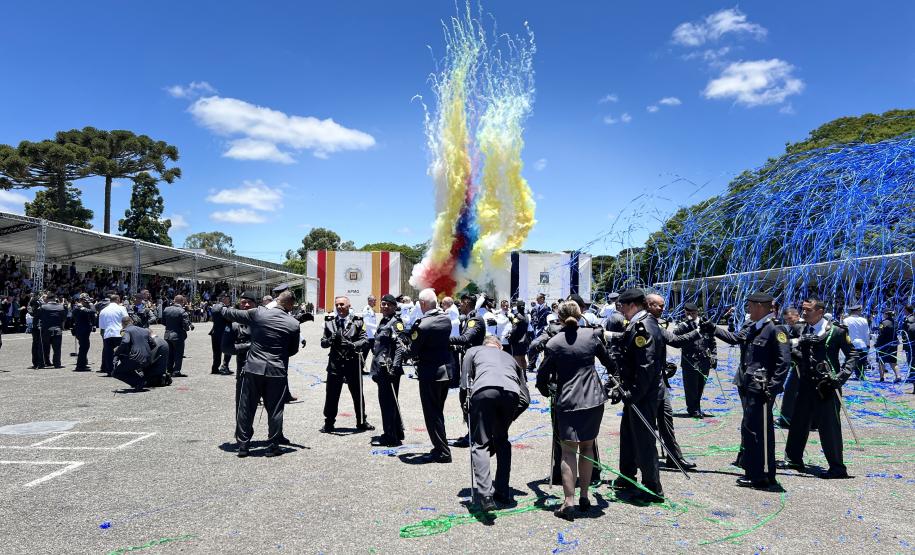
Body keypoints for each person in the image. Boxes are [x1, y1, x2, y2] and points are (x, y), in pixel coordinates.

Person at [704, 292, 791, 490]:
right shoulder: (754, 326)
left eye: (750, 306)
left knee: (759, 431)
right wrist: (713, 329)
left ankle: (762, 475)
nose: (748, 310)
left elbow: (783, 361)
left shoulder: (775, 328)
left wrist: (773, 387)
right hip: (749, 385)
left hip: (762, 389)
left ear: (760, 306)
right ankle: (753, 471)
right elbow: (736, 339)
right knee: (750, 430)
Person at [537, 301, 614, 519]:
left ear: (559, 318)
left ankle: (568, 501)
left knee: (568, 451)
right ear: (580, 315)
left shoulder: (553, 343)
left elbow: (542, 376)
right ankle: (585, 496)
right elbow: (610, 363)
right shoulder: (592, 336)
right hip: (593, 398)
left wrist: (546, 390)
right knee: (588, 447)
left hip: (568, 400)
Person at [782, 298, 861, 479]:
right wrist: (799, 346)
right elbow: (787, 348)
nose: (803, 313)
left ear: (819, 311)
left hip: (826, 386)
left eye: (808, 310)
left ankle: (837, 467)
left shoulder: (836, 331)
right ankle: (794, 458)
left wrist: (840, 378)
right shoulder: (800, 329)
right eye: (803, 310)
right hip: (805, 384)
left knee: (829, 426)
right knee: (798, 423)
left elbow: (852, 354)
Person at [217, 291, 301, 457]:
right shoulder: (293, 323)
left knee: (246, 407)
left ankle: (243, 445)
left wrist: (220, 306)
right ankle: (273, 445)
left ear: (277, 301)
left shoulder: (259, 313)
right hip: (276, 370)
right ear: (290, 305)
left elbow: (231, 313)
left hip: (253, 368)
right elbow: (293, 350)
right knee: (275, 409)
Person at [463, 335, 530, 511]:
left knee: (480, 443)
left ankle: (485, 494)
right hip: (511, 395)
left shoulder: (473, 351)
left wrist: (468, 417)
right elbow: (526, 399)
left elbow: (465, 386)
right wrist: (509, 418)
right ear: (499, 347)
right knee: (502, 441)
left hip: (483, 391)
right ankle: (503, 491)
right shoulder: (510, 358)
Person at [645, 293, 700, 471]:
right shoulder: (646, 324)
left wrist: (698, 332)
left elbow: (675, 341)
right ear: (648, 305)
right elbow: (675, 341)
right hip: (648, 384)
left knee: (666, 418)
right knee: (646, 423)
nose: (662, 308)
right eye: (658, 305)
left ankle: (674, 457)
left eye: (662, 305)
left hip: (660, 382)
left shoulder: (656, 324)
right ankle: (642, 459)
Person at [409, 288, 455, 463]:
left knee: (432, 413)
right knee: (438, 412)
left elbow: (413, 351)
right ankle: (440, 446)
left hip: (430, 373)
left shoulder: (422, 324)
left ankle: (442, 451)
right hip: (445, 371)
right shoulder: (445, 319)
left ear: (422, 304)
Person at [319, 296, 373, 433]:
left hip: (353, 363)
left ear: (349, 306)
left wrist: (352, 345)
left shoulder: (358, 322)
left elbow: (365, 340)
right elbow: (323, 343)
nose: (339, 307)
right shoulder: (330, 323)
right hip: (335, 365)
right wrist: (331, 339)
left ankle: (361, 421)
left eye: (342, 304)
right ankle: (329, 423)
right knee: (331, 395)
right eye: (337, 305)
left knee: (357, 395)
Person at [370, 294, 408, 447]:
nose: (384, 306)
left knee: (388, 403)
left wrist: (395, 366)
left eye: (388, 305)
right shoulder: (384, 320)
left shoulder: (396, 323)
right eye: (383, 304)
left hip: (389, 369)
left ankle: (390, 437)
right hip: (382, 367)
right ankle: (396, 431)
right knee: (388, 402)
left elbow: (401, 346)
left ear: (394, 307)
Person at [671, 302, 717, 418]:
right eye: (688, 313)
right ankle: (693, 409)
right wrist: (685, 324)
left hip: (704, 360)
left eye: (693, 313)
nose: (690, 315)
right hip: (689, 361)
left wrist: (714, 356)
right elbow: (674, 338)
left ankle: (697, 407)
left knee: (700, 386)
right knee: (691, 387)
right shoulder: (683, 325)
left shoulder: (705, 324)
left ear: (697, 312)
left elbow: (712, 342)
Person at [227, 292, 256, 439]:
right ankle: (242, 436)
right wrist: (249, 346)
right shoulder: (234, 325)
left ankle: (276, 437)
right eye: (243, 302)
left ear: (255, 304)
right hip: (244, 369)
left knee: (272, 406)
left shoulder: (262, 320)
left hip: (266, 369)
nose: (245, 305)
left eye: (249, 302)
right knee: (242, 406)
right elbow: (227, 348)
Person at [776, 307, 804, 427]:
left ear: (797, 315)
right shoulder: (797, 325)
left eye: (790, 318)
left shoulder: (800, 325)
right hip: (798, 363)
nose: (788, 321)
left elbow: (801, 341)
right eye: (786, 319)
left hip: (800, 363)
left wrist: (789, 344)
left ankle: (786, 419)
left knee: (791, 391)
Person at [112, 316, 155, 390]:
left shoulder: (125, 330)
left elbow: (125, 342)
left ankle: (139, 382)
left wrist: (117, 352)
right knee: (128, 366)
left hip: (136, 358)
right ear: (132, 322)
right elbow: (153, 344)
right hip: (148, 358)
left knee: (116, 373)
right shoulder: (144, 330)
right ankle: (139, 380)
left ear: (122, 324)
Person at [161, 295, 193, 377]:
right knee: (178, 354)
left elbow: (163, 322)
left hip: (167, 334)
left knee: (170, 353)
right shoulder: (182, 311)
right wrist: (187, 329)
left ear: (174, 300)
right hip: (178, 335)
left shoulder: (166, 309)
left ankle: (169, 369)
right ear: (182, 302)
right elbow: (185, 325)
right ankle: (176, 371)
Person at [37, 293, 67, 368]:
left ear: (47, 299)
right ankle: (57, 363)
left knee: (44, 347)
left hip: (46, 329)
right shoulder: (61, 307)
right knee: (57, 348)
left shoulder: (43, 307)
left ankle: (42, 363)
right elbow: (64, 318)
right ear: (54, 298)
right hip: (57, 329)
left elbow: (37, 315)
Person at [843, 305, 870, 381]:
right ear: (857, 311)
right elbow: (867, 333)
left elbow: (845, 333)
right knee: (862, 361)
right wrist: (868, 344)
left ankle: (845, 375)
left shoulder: (846, 320)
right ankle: (860, 375)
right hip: (862, 344)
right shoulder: (864, 320)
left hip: (851, 344)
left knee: (849, 360)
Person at [209, 294, 234, 376]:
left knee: (216, 352)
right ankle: (225, 367)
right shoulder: (224, 308)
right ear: (223, 299)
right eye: (228, 299)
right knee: (228, 350)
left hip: (215, 332)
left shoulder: (214, 307)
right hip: (224, 332)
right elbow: (229, 319)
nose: (229, 300)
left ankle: (215, 368)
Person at [71, 294, 96, 371]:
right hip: (81, 330)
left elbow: (92, 314)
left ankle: (83, 363)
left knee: (84, 347)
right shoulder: (77, 307)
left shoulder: (83, 307)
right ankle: (80, 366)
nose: (87, 302)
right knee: (84, 347)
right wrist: (83, 307)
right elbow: (92, 311)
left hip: (84, 330)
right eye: (85, 300)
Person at [875, 309, 900, 382]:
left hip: (883, 345)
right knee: (893, 361)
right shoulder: (896, 322)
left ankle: (882, 377)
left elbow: (880, 334)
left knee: (881, 361)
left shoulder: (882, 323)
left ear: (886, 314)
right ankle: (898, 376)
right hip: (893, 344)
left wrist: (876, 343)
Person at [527, 293, 550, 370]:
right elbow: (534, 318)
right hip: (535, 329)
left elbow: (547, 321)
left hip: (543, 331)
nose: (536, 300)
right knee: (534, 347)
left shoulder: (547, 308)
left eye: (538, 299)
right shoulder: (536, 308)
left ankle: (539, 365)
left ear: (542, 299)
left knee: (540, 347)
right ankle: (532, 364)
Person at [506, 301, 531, 369]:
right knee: (523, 358)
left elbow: (514, 329)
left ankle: (520, 376)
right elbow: (521, 324)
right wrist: (512, 321)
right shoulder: (527, 316)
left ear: (517, 307)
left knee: (517, 357)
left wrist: (510, 336)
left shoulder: (517, 316)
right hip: (525, 340)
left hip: (517, 340)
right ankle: (524, 375)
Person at [361, 295, 379, 374]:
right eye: (374, 300)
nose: (375, 302)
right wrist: (377, 328)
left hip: (372, 335)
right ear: (369, 301)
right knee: (366, 353)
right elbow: (367, 323)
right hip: (369, 335)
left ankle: (376, 369)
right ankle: (360, 369)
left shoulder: (371, 309)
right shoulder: (367, 309)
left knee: (375, 352)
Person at [903, 305, 915, 393]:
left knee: (912, 364)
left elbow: (907, 333)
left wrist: (906, 343)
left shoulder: (909, 320)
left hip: (911, 346)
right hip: (911, 345)